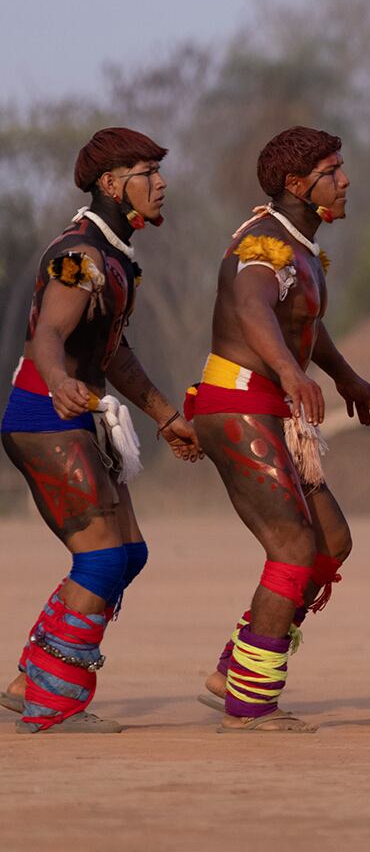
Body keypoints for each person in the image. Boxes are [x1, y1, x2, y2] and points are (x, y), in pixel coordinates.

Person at [2, 129, 200, 733]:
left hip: (77, 415)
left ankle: (27, 680)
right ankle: (54, 703)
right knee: (103, 557)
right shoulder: (80, 254)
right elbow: (49, 336)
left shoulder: (113, 257)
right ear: (112, 184)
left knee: (128, 552)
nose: (160, 183)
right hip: (46, 415)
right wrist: (59, 379)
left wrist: (165, 415)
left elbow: (112, 353)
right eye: (147, 171)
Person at [188, 126, 370, 732]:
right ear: (297, 185)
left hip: (270, 407)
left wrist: (345, 376)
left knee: (330, 543)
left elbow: (303, 323)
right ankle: (249, 704)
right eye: (332, 170)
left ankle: (238, 667)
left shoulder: (298, 247)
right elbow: (252, 308)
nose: (345, 180)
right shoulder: (265, 243)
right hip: (239, 402)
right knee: (294, 547)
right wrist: (289, 372)